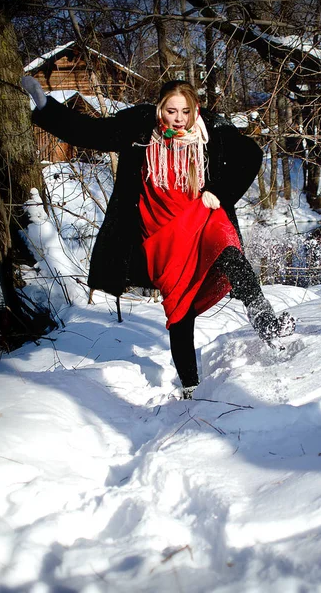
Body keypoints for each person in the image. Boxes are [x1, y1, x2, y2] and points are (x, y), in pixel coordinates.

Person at [21, 76, 295, 399]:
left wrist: (219, 192)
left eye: (185, 111)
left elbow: (250, 154)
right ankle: (192, 389)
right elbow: (93, 132)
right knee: (180, 309)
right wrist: (46, 108)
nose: (178, 119)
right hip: (162, 236)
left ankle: (268, 325)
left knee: (231, 254)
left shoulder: (210, 131)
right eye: (171, 111)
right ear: (159, 108)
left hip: (202, 218)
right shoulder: (140, 127)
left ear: (195, 110)